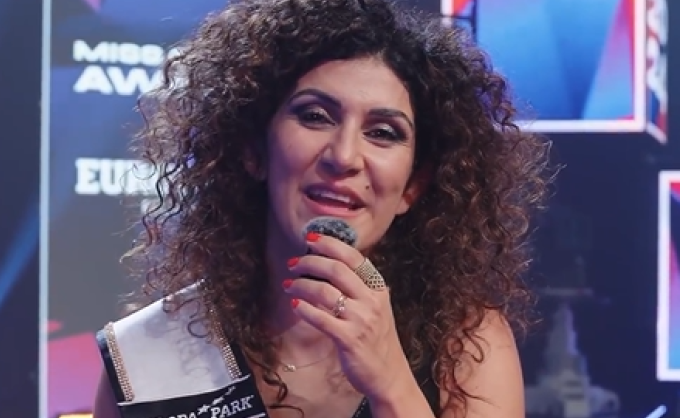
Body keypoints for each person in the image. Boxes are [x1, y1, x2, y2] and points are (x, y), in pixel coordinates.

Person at [93, 0, 553, 417]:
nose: (344, 156)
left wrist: (392, 384)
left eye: (383, 133)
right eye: (315, 116)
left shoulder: (465, 347)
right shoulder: (143, 357)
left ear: (412, 187)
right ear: (254, 150)